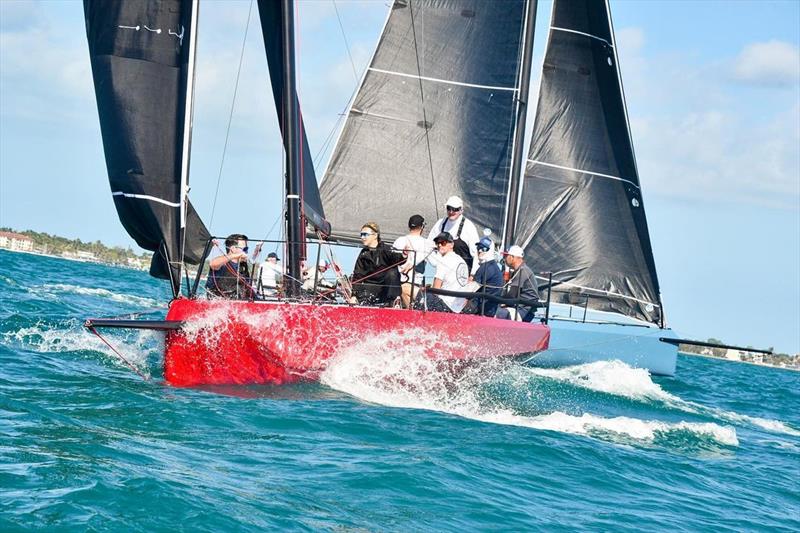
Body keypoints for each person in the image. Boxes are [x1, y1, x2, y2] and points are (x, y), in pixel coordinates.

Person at [351, 222, 405, 306]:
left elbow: (398, 258)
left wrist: (404, 255)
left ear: (375, 235)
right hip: (370, 290)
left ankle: (394, 302)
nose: (362, 237)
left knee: (392, 272)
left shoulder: (386, 249)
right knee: (362, 294)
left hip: (385, 289)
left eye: (365, 234)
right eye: (361, 235)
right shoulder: (363, 254)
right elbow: (358, 275)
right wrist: (353, 295)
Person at [427, 195, 480, 276]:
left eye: (455, 209)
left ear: (461, 210)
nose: (451, 212)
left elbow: (476, 253)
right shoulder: (440, 223)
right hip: (443, 273)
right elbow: (429, 245)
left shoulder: (469, 226)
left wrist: (472, 275)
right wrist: (435, 263)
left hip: (462, 274)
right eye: (449, 208)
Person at [418, 232, 469, 313]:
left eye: (443, 243)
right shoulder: (462, 261)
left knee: (420, 294)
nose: (439, 245)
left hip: (445, 305)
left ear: (451, 245)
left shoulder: (444, 260)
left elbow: (436, 288)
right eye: (437, 243)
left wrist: (424, 291)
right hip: (458, 308)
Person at [392, 214, 434, 308]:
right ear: (422, 227)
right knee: (415, 313)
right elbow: (434, 263)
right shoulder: (427, 244)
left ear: (409, 226)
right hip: (416, 285)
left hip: (398, 284)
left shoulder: (399, 241)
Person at [206, 234, 260, 299]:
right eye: (245, 249)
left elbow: (253, 257)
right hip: (220, 302)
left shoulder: (243, 265)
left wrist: (257, 248)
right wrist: (234, 256)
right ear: (233, 249)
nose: (246, 252)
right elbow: (213, 264)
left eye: (247, 249)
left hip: (242, 303)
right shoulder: (223, 262)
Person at [496, 245, 539, 322]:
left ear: (512, 257)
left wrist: (496, 300)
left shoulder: (522, 271)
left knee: (492, 311)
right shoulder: (519, 270)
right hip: (519, 307)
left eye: (506, 255)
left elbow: (512, 294)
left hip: (523, 310)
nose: (505, 258)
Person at [462, 237, 503, 317]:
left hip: (481, 309)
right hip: (490, 309)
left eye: (484, 249)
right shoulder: (493, 266)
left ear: (490, 250)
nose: (480, 251)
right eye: (478, 248)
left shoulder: (485, 268)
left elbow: (470, 291)